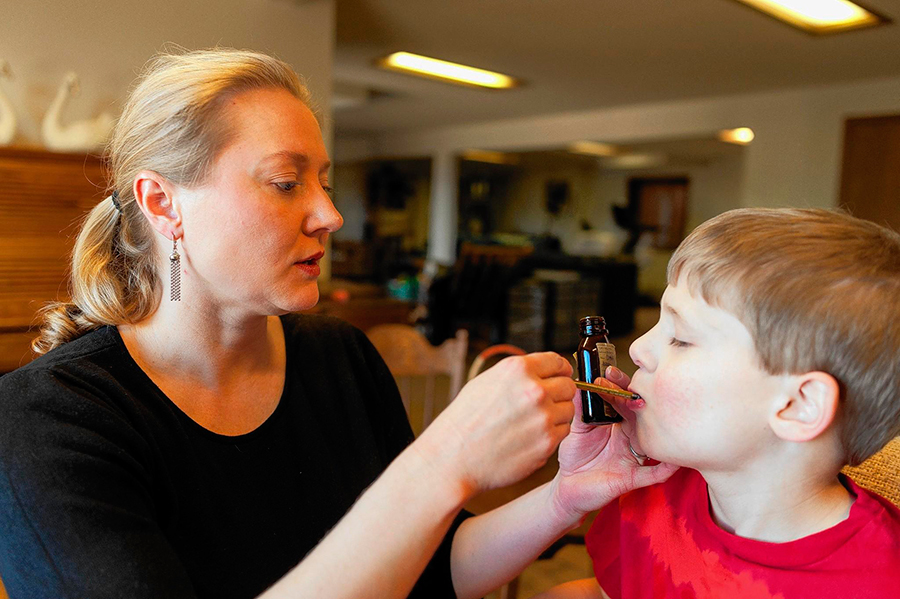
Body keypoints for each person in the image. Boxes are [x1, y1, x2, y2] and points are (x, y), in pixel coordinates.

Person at [0, 48, 677, 599]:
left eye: (323, 181)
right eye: (285, 182)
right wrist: (441, 462)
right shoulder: (46, 421)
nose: (330, 214)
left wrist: (565, 497)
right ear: (162, 203)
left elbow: (425, 570)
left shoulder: (339, 356)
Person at [532, 208, 900, 598]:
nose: (637, 348)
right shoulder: (651, 493)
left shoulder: (880, 583)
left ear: (798, 405)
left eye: (681, 338)